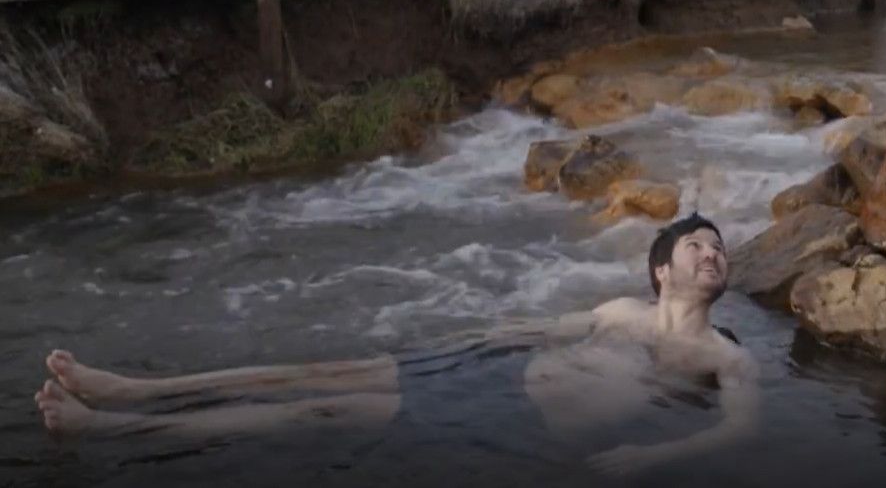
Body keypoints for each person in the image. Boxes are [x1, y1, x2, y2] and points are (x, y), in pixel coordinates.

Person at [33, 214, 757, 478]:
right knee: (316, 373)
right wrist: (455, 346)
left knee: (313, 415)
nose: (712, 255)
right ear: (662, 269)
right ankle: (139, 388)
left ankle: (115, 426)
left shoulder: (726, 358)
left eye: (719, 249)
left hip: (510, 425)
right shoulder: (618, 309)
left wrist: (649, 457)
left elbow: (740, 431)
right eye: (697, 245)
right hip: (484, 382)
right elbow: (525, 333)